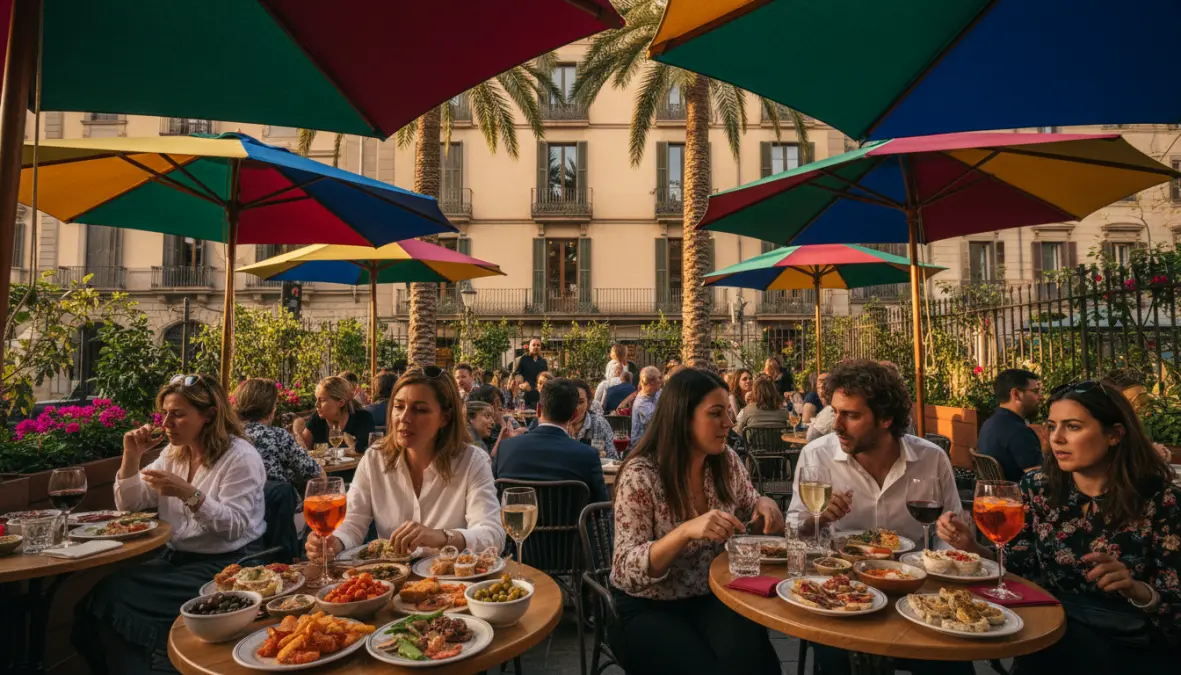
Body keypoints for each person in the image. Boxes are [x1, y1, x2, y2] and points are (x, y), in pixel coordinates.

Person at [938, 380, 1181, 671]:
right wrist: (972, 547)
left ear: (1114, 435)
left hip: (1132, 644)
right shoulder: (1039, 487)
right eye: (1052, 427)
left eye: (1073, 427)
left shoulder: (1162, 500)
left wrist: (1136, 589)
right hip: (1055, 632)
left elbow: (1174, 607)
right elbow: (1018, 570)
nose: (1057, 438)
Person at [73, 374, 266, 675]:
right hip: (176, 560)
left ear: (209, 415)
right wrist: (131, 456)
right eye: (164, 413)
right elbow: (130, 506)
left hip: (230, 565)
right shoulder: (173, 455)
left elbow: (235, 527)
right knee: (91, 607)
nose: (166, 423)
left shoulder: (240, 457)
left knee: (112, 597)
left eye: (177, 414)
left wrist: (189, 494)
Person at [788, 360, 967, 675]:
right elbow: (792, 532)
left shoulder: (931, 459)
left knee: (952, 664)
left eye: (851, 415)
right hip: (841, 591)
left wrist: (953, 544)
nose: (836, 425)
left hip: (914, 592)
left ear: (886, 418)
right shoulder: (817, 456)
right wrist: (818, 519)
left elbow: (949, 536)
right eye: (835, 412)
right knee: (835, 661)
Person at [609, 368, 784, 675]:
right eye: (716, 413)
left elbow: (750, 500)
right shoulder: (641, 475)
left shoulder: (725, 460)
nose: (729, 423)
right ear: (682, 418)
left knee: (756, 660)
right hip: (649, 605)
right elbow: (625, 571)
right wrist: (684, 532)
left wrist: (764, 503)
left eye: (727, 412)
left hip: (713, 595)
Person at [306, 367, 506, 562]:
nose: (404, 418)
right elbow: (352, 522)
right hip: (389, 580)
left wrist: (442, 537)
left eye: (420, 410)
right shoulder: (375, 458)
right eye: (399, 406)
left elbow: (493, 535)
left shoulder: (472, 461)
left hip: (452, 579)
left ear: (445, 417)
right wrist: (334, 542)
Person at [493, 378, 610, 503]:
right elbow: (601, 505)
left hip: (519, 515)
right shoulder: (588, 456)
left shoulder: (505, 449)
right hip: (572, 516)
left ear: (538, 409)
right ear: (574, 415)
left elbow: (493, 495)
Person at [234, 378, 325, 489]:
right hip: (276, 499)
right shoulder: (277, 436)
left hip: (241, 498)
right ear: (270, 408)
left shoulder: (228, 437)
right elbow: (316, 473)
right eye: (275, 404)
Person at [976, 368, 1045, 482]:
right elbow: (1039, 481)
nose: (1041, 397)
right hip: (1016, 492)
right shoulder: (1019, 432)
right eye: (1035, 391)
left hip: (995, 491)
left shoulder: (989, 424)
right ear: (1016, 394)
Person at [298, 376, 376, 452]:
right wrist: (298, 433)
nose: (316, 404)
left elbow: (367, 452)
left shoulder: (363, 419)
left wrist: (351, 444)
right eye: (317, 399)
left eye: (322, 400)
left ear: (341, 402)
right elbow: (302, 452)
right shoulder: (316, 419)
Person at [567, 378, 616, 458]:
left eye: (580, 402)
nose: (576, 407)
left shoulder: (600, 424)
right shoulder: (559, 425)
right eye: (572, 401)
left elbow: (613, 458)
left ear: (588, 403)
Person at [511, 338, 548, 408]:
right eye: (533, 345)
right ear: (529, 347)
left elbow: (546, 377)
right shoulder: (523, 359)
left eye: (538, 345)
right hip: (526, 395)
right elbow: (515, 376)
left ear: (540, 348)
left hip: (539, 395)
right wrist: (521, 385)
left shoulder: (543, 361)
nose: (536, 347)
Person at [630, 366, 663, 444]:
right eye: (659, 378)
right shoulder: (641, 403)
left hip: (655, 439)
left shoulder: (657, 392)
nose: (661, 381)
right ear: (650, 384)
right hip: (642, 443)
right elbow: (658, 421)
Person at [805, 372, 835, 442]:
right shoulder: (812, 397)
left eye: (822, 388)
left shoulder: (830, 410)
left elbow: (811, 436)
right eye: (818, 388)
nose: (820, 392)